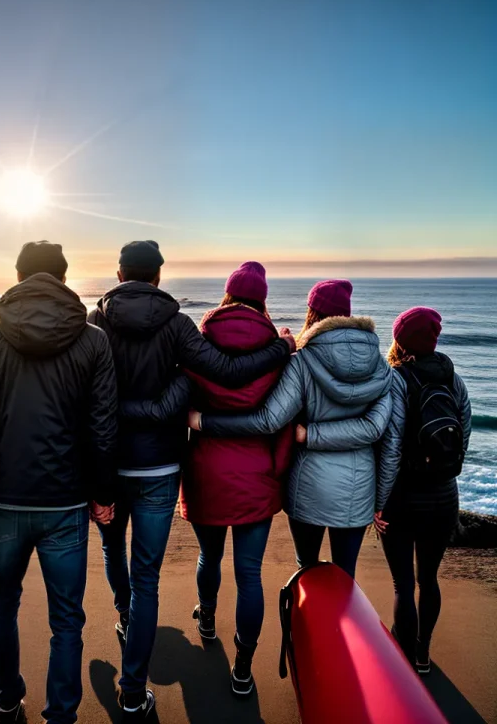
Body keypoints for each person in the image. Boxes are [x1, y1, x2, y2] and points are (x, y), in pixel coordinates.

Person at [89, 242, 296, 721]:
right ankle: (133, 691)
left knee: (113, 549)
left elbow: (84, 395)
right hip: (161, 466)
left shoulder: (95, 322)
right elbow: (228, 371)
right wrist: (282, 347)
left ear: (119, 274)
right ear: (159, 277)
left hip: (109, 463)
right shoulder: (178, 325)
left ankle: (125, 617)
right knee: (148, 576)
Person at [0, 241, 118, 724]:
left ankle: (6, 705)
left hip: (6, 501)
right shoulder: (93, 340)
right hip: (65, 502)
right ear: (63, 278)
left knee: (2, 605)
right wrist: (103, 495)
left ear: (19, 277)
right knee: (67, 618)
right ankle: (60, 715)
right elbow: (103, 427)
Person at [189, 279, 393, 581]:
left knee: (305, 573)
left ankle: (301, 617)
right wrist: (382, 499)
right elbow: (377, 429)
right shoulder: (382, 368)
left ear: (312, 314)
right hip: (358, 489)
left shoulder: (301, 362)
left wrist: (205, 422)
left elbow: (269, 421)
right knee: (345, 575)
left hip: (308, 484)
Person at [178, 262, 294, 696]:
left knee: (209, 557)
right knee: (249, 573)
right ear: (262, 300)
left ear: (226, 296)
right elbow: (284, 419)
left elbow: (182, 401)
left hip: (206, 471)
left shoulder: (199, 345)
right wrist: (278, 470)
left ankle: (207, 619)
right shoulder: (278, 351)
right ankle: (243, 666)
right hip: (256, 475)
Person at [375, 307, 471, 672]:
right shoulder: (453, 378)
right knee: (428, 580)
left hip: (403, 497)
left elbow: (391, 447)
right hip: (444, 495)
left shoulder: (396, 380)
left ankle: (403, 663)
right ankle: (423, 654)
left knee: (403, 584)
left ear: (400, 341)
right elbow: (463, 435)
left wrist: (379, 500)